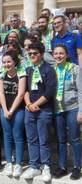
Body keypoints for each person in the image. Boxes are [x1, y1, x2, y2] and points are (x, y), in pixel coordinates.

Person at [22, 41, 57, 182]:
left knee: (43, 140)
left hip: (44, 110)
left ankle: (46, 167)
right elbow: (24, 90)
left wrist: (34, 104)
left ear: (41, 54)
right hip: (30, 109)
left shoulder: (48, 69)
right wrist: (29, 104)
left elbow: (49, 92)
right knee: (32, 140)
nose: (32, 56)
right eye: (29, 54)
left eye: (35, 53)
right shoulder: (28, 69)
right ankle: (34, 166)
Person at [52, 45, 82, 180]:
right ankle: (63, 167)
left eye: (61, 53)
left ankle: (77, 167)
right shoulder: (52, 70)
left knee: (75, 138)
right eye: (56, 53)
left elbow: (81, 91)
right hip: (58, 110)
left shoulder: (75, 69)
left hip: (73, 108)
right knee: (61, 140)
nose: (58, 56)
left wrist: (81, 111)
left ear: (66, 54)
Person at [0, 51, 26, 177]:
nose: (6, 64)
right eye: (4, 62)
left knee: (18, 136)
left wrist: (11, 110)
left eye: (9, 61)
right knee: (7, 136)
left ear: (15, 62)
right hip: (5, 110)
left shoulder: (21, 75)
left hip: (18, 110)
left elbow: (20, 95)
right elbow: (1, 94)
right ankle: (9, 162)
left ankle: (19, 164)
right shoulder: (1, 76)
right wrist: (4, 110)